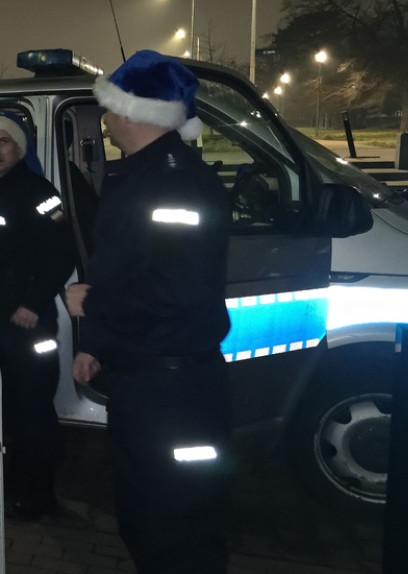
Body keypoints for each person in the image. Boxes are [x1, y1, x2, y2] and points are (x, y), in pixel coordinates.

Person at [64, 50, 232, 573]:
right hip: (146, 380)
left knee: (178, 524)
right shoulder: (143, 176)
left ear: (137, 112)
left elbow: (177, 290)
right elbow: (127, 269)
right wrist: (95, 343)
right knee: (144, 516)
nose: (106, 119)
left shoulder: (174, 183)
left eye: (112, 108)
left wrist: (93, 303)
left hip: (176, 391)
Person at [0, 112, 76, 520]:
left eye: (4, 142)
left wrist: (32, 302)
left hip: (33, 325)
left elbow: (62, 252)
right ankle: (18, 480)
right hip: (2, 326)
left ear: (19, 147)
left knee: (34, 409)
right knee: (12, 407)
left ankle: (40, 494)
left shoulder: (40, 193)